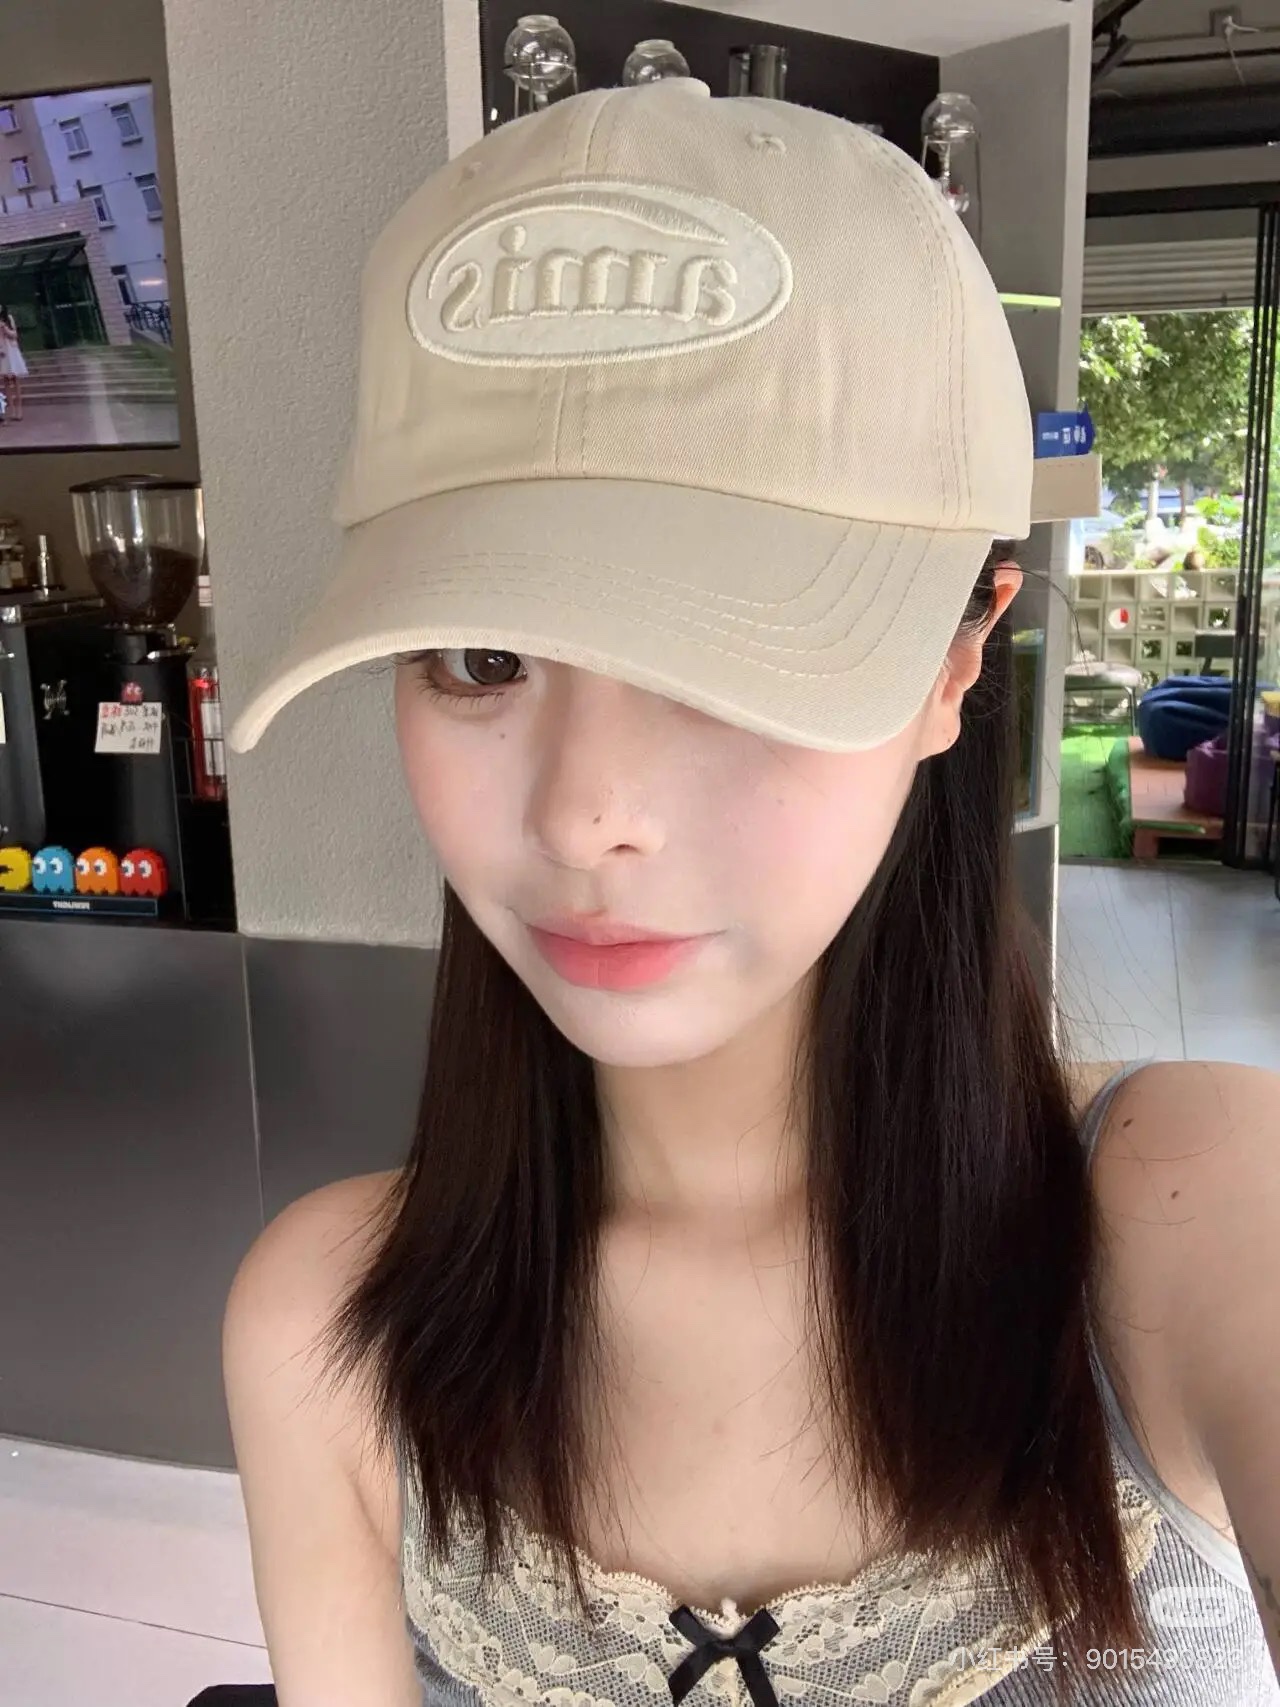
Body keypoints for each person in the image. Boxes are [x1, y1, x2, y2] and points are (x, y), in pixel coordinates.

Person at [216, 81, 1280, 1707]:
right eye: (484, 656)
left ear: (955, 662)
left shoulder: (1199, 1212)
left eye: (724, 660)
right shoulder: (330, 1324)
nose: (585, 814)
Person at [0, 304, 27, 420]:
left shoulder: (8, 318)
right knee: (6, 381)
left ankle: (19, 410)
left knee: (15, 380)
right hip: (2, 353)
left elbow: (14, 335)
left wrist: (5, 328)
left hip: (11, 350)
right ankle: (12, 411)